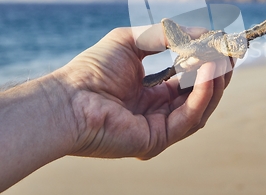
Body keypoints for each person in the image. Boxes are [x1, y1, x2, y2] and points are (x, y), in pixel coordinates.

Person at [0, 24, 232, 192]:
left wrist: (70, 105)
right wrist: (69, 103)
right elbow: (172, 36)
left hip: (199, 57)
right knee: (170, 72)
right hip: (184, 60)